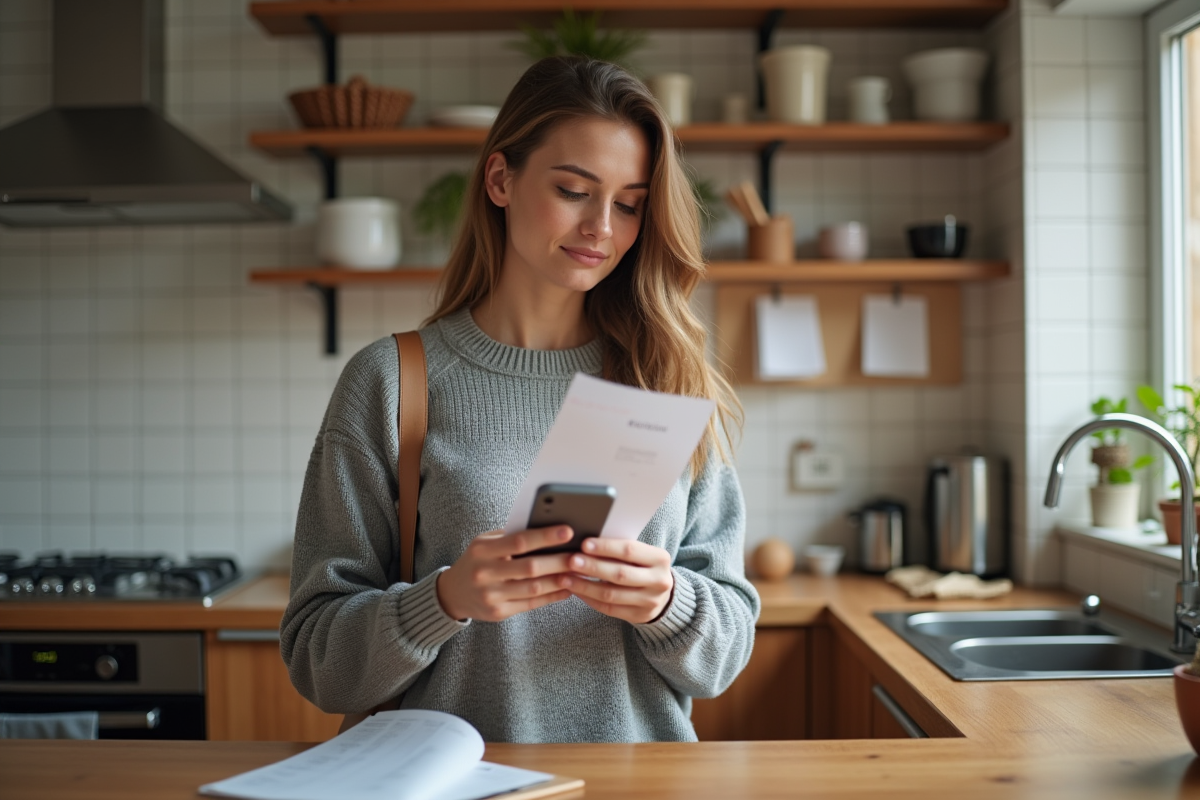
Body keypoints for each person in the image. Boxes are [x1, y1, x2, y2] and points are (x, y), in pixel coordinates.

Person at [281, 55, 760, 744]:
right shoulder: (392, 380)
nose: (602, 227)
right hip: (450, 786)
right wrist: (443, 600)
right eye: (573, 189)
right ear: (501, 179)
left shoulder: (666, 379)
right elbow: (317, 659)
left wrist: (668, 603)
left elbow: (726, 654)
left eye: (629, 203)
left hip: (638, 788)